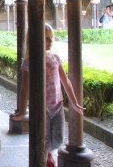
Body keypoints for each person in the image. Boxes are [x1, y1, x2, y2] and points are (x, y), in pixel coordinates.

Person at [11, 23, 85, 166]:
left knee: (58, 139)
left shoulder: (55, 58)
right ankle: (43, 160)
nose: (51, 42)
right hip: (41, 107)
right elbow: (25, 88)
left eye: (51, 38)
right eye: (46, 38)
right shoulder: (29, 61)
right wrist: (21, 111)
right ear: (36, 39)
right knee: (42, 140)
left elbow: (66, 82)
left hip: (57, 105)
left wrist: (74, 103)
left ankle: (49, 154)